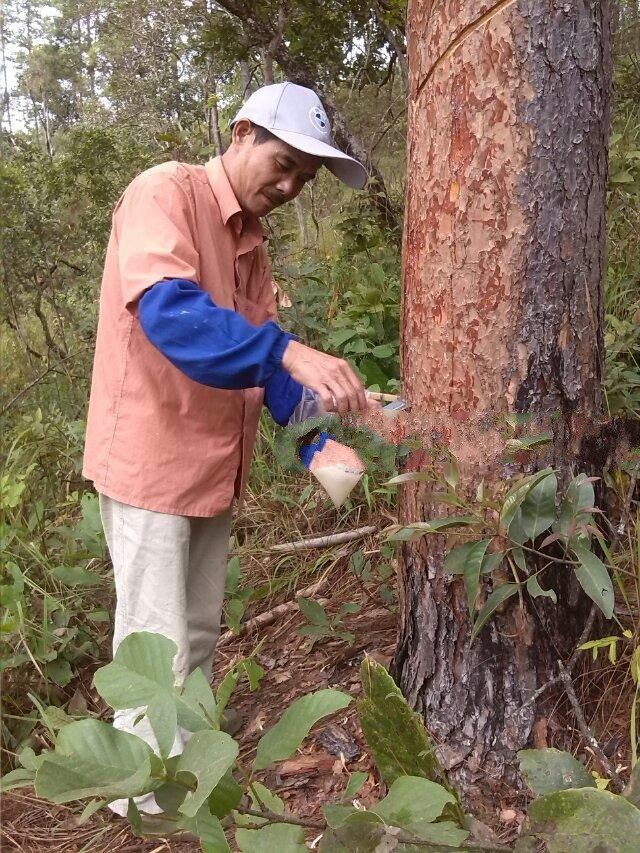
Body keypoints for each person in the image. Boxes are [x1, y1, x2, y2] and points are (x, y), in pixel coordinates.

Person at [82, 82, 378, 815]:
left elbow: (271, 371)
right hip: (151, 461)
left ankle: (186, 779)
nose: (289, 185)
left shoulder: (252, 244)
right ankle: (146, 807)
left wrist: (319, 443)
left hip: (213, 466)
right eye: (283, 164)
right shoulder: (165, 195)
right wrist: (292, 351)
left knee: (198, 631)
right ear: (241, 132)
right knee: (155, 646)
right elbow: (173, 318)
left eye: (303, 179)